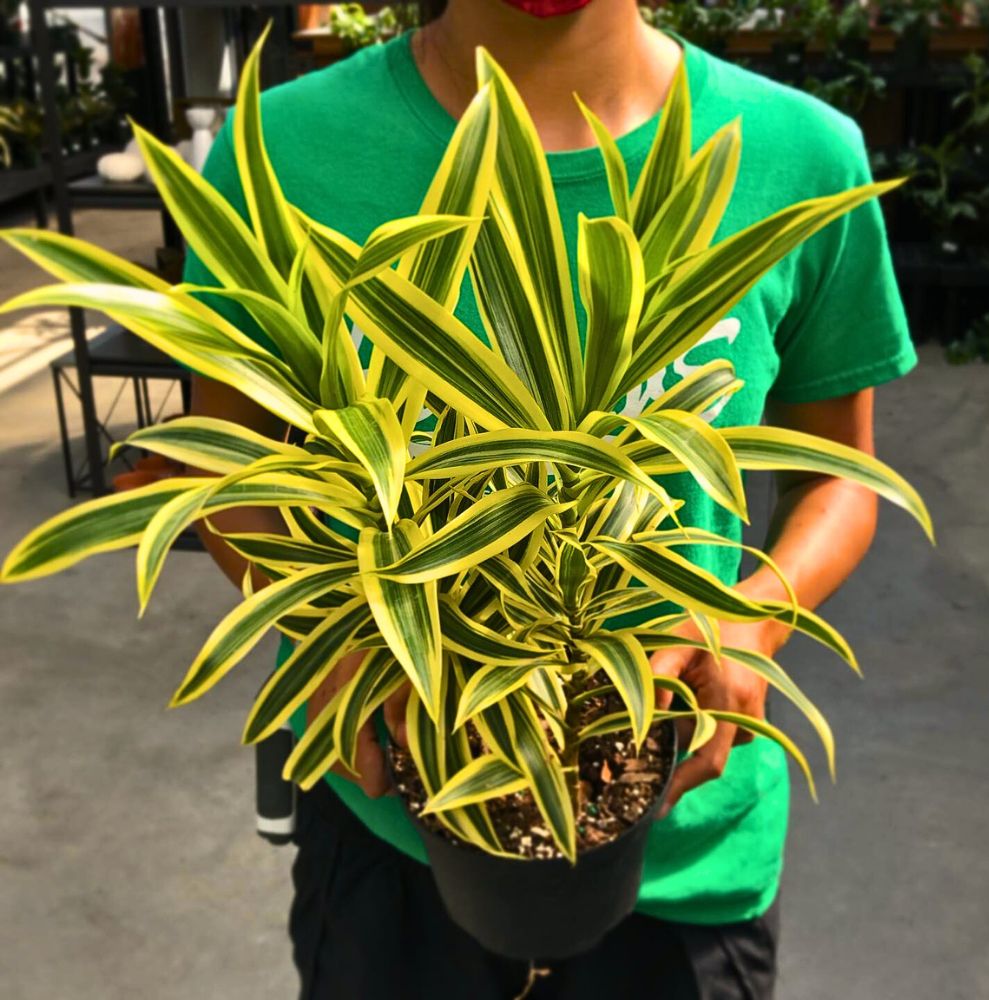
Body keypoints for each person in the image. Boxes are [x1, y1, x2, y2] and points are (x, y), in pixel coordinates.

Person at [183, 1, 917, 996]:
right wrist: (333, 636)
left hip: (681, 846)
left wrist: (748, 628)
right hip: (395, 825)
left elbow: (841, 476)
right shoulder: (286, 150)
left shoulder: (798, 155)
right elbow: (226, 463)